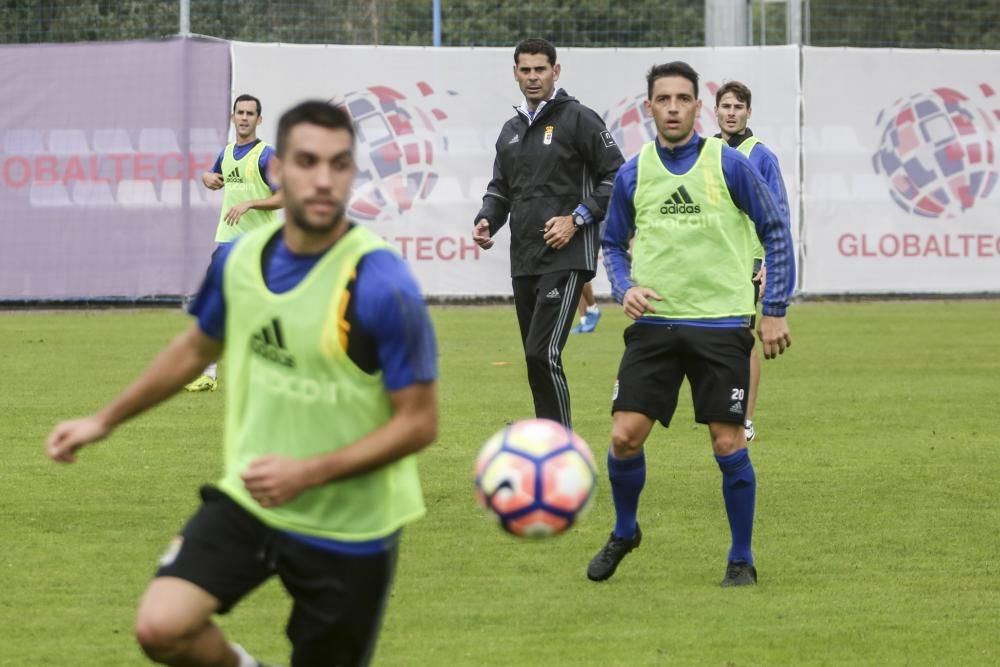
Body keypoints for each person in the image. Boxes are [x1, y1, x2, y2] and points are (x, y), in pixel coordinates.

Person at [46, 101, 439, 667]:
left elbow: (419, 422)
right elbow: (194, 348)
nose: (322, 179)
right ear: (279, 172)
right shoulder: (243, 260)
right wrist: (101, 420)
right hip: (252, 497)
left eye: (338, 164)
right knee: (162, 627)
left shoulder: (381, 284)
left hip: (350, 525)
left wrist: (307, 472)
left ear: (353, 173)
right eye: (306, 161)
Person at [586, 62, 794, 588]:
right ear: (649, 107)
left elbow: (775, 228)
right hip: (655, 326)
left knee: (728, 443)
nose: (674, 107)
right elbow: (612, 244)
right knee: (623, 437)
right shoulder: (635, 172)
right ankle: (626, 529)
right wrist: (623, 286)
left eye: (684, 98)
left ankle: (741, 557)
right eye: (664, 99)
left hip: (721, 324)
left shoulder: (728, 164)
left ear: (698, 107)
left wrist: (774, 310)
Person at [473, 37, 624, 427]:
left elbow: (618, 176)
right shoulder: (509, 130)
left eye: (541, 69)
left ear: (556, 72)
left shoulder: (578, 118)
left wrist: (576, 218)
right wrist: (488, 217)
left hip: (566, 255)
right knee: (533, 357)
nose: (533, 76)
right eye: (525, 70)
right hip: (524, 258)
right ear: (515, 74)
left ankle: (561, 448)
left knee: (543, 353)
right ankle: (550, 441)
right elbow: (500, 189)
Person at [185, 94, 284, 393]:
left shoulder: (267, 156)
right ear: (233, 117)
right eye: (239, 112)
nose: (244, 118)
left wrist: (251, 204)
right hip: (227, 242)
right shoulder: (227, 153)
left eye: (250, 113)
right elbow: (215, 175)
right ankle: (209, 374)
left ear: (259, 120)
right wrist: (205, 177)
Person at [714, 80, 792, 442]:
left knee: (741, 338)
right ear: (715, 111)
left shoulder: (760, 155)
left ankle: (744, 418)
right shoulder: (705, 151)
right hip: (710, 260)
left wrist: (769, 267)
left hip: (747, 261)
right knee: (708, 337)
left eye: (738, 107)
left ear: (748, 112)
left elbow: (778, 216)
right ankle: (719, 407)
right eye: (726, 106)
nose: (731, 113)